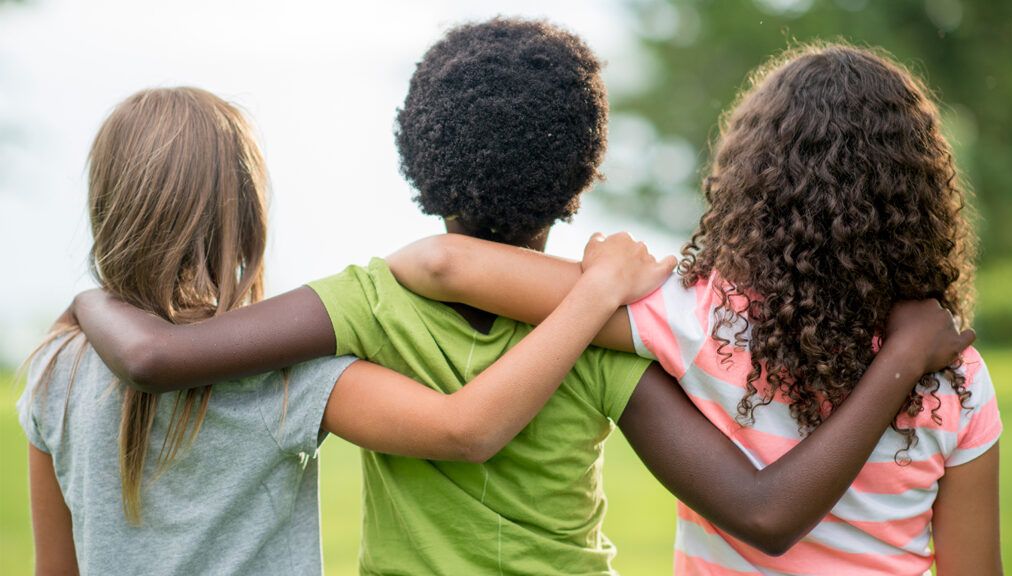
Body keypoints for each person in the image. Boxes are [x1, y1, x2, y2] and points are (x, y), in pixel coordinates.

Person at [69, 23, 975, 574]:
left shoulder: (370, 303)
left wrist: (88, 299)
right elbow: (757, 503)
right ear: (580, 178)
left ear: (420, 159)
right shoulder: (608, 332)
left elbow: (162, 356)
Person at [387, 43, 1003, 575]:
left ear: (752, 184)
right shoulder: (957, 377)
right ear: (920, 200)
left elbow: (445, 262)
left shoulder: (698, 316)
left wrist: (608, 280)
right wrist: (904, 359)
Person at [17, 86, 678, 575]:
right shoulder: (285, 377)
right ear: (245, 215)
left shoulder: (54, 372)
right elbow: (463, 428)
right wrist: (594, 292)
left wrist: (86, 297)